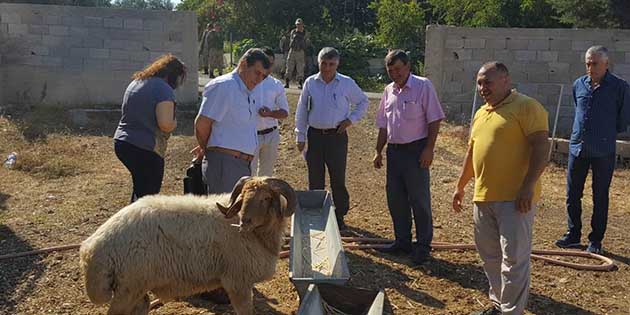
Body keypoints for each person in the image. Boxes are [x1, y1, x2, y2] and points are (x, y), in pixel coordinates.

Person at [452, 62, 549, 315]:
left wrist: (528, 187)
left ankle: (511, 311)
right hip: (483, 196)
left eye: (488, 82)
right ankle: (498, 304)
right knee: (490, 257)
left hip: (515, 198)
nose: (483, 87)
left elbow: (541, 147)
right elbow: (472, 152)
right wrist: (461, 186)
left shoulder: (527, 107)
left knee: (514, 259)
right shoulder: (481, 112)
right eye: (480, 82)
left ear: (506, 80)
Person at [555, 46, 630, 254]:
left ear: (606, 64)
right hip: (577, 147)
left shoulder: (620, 87)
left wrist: (604, 133)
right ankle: (573, 234)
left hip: (603, 150)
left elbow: (623, 119)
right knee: (572, 194)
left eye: (595, 63)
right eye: (588, 63)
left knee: (599, 196)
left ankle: (595, 240)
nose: (590, 67)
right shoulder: (579, 84)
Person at [373, 50, 445, 265]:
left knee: (419, 200)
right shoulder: (389, 91)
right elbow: (384, 124)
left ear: (408, 66)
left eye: (398, 69)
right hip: (394, 152)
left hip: (416, 151)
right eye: (390, 70)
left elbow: (434, 119)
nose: (395, 74)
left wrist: (429, 149)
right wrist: (378, 150)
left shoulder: (423, 86)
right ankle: (402, 241)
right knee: (396, 199)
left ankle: (423, 245)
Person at [295, 47, 368, 230]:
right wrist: (300, 134)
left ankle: (340, 216)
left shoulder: (346, 83)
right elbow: (302, 108)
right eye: (324, 64)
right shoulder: (310, 83)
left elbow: (363, 101)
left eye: (331, 64)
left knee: (337, 178)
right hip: (315, 135)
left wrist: (350, 120)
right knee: (315, 177)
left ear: (337, 64)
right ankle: (318, 213)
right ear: (318, 62)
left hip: (337, 136)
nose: (327, 68)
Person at [192, 48, 271, 194]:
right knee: (224, 215)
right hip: (225, 164)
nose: (259, 79)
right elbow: (202, 124)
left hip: (241, 165)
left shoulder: (247, 92)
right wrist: (209, 149)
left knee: (234, 214)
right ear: (244, 64)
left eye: (263, 76)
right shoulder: (225, 86)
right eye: (257, 73)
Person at [113, 54, 186, 203]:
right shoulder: (163, 89)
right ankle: (140, 224)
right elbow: (165, 124)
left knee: (140, 188)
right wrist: (175, 123)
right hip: (145, 148)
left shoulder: (137, 82)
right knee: (148, 196)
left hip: (123, 142)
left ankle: (133, 220)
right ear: (173, 75)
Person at [251, 47, 290, 177]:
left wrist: (270, 114)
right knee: (249, 174)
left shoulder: (276, 84)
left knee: (266, 176)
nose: (268, 66)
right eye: (265, 62)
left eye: (271, 63)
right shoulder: (246, 82)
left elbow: (285, 113)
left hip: (271, 135)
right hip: (250, 135)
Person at [284, 18, 310, 89]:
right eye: (297, 24)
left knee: (300, 67)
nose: (298, 26)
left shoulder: (305, 33)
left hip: (300, 51)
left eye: (299, 24)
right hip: (292, 50)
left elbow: (307, 43)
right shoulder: (293, 31)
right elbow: (291, 41)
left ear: (302, 25)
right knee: (289, 65)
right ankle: (287, 82)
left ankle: (300, 83)